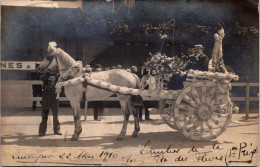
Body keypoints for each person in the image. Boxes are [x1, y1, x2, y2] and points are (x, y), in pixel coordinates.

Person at [39, 72, 62, 136]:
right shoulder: (45, 78)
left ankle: (57, 130)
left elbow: (61, 78)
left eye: (52, 79)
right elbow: (41, 77)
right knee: (44, 116)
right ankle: (42, 131)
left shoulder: (58, 79)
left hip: (55, 99)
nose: (51, 80)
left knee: (55, 115)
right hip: (46, 99)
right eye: (50, 79)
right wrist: (47, 73)